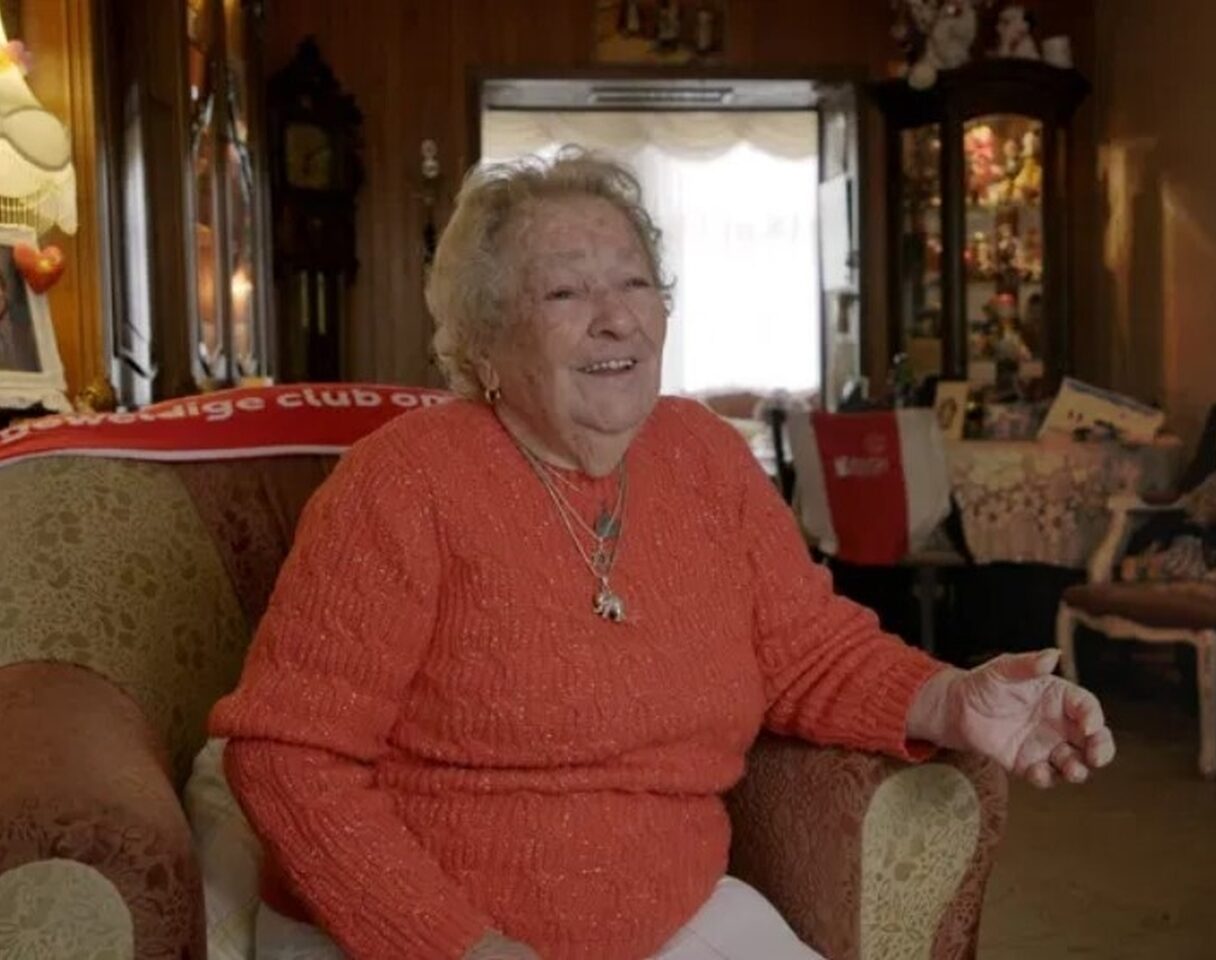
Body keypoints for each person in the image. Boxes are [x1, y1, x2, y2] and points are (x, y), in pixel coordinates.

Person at [210, 149, 1115, 960]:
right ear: (485, 340)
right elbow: (286, 758)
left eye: (636, 284)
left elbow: (806, 650)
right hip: (417, 934)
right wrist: (457, 947)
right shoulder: (402, 483)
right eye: (565, 294)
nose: (617, 320)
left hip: (671, 919)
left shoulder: (703, 455)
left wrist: (953, 699)